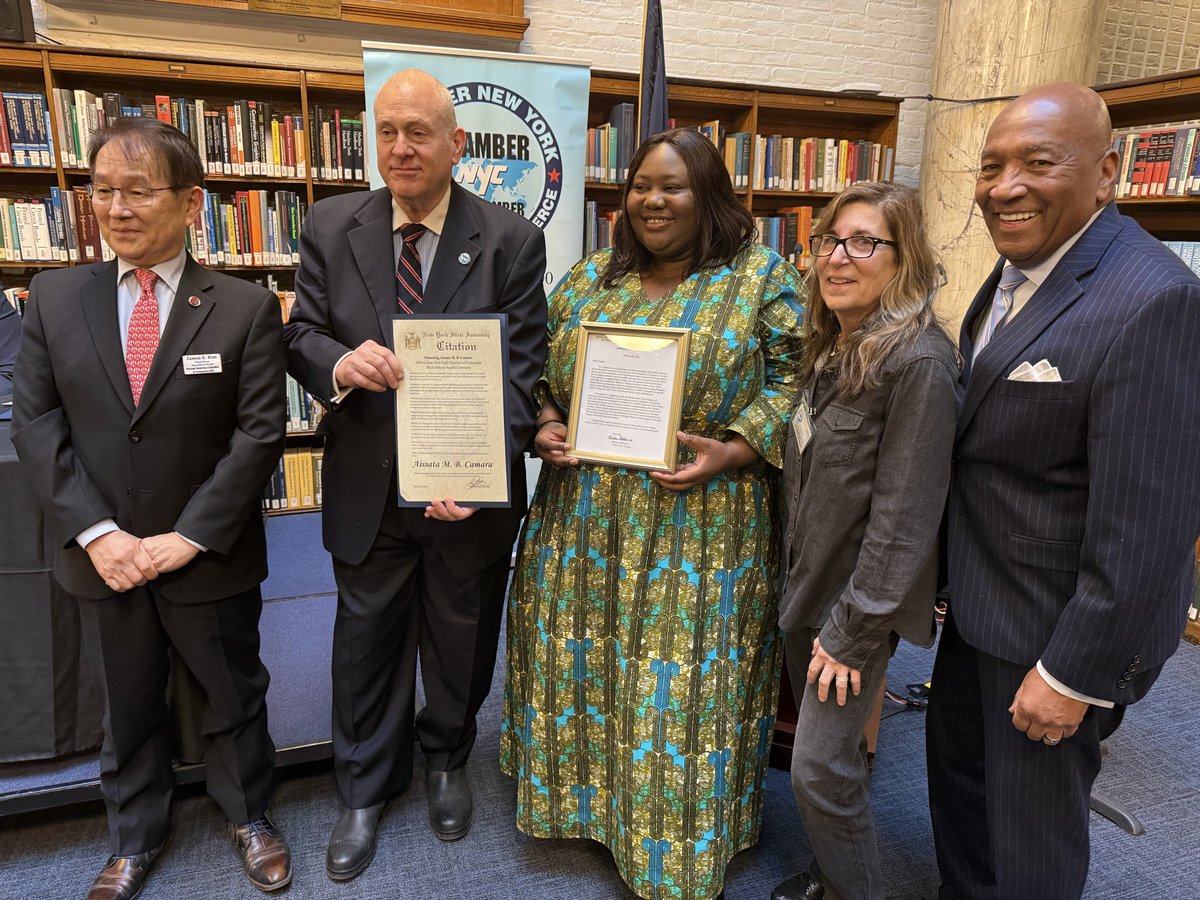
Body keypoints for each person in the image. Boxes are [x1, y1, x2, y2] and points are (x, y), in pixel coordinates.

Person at [501, 127, 805, 900]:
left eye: (672, 186)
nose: (652, 200)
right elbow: (532, 370)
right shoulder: (589, 279)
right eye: (640, 186)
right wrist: (542, 424)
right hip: (583, 521)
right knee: (584, 663)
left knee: (683, 691)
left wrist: (736, 447)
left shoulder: (761, 278)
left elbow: (800, 380)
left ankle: (674, 845)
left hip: (703, 521)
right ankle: (583, 809)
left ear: (707, 194)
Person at [928, 81, 1200, 900]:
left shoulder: (1153, 298)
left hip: (1054, 634)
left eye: (1037, 162)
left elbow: (1149, 522)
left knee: (1031, 845)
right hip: (981, 607)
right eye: (991, 166)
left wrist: (1073, 674)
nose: (1004, 185)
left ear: (1107, 172)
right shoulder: (1017, 273)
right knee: (964, 800)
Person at [11, 117, 290, 900]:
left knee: (233, 692)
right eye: (102, 190)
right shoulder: (57, 297)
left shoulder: (241, 306)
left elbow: (259, 432)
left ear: (192, 201)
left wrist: (190, 536)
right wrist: (99, 535)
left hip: (208, 552)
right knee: (126, 701)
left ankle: (250, 814)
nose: (117, 208)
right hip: (102, 556)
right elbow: (37, 424)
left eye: (138, 190)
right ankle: (134, 836)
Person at [283, 68, 547, 880]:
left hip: (463, 495)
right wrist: (337, 359)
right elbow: (300, 335)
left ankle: (446, 760)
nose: (401, 147)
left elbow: (523, 373)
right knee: (364, 641)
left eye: (419, 132)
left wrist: (478, 472)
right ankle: (365, 788)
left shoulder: (509, 239)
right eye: (387, 131)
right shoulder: (331, 226)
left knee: (461, 639)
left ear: (456, 144)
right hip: (369, 482)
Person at [770, 182, 958, 900]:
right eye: (829, 241)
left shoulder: (920, 364)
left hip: (854, 608)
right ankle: (830, 872)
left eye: (864, 243)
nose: (838, 258)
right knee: (831, 763)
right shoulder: (832, 347)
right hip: (806, 586)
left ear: (902, 258)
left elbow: (906, 516)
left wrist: (852, 633)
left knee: (818, 765)